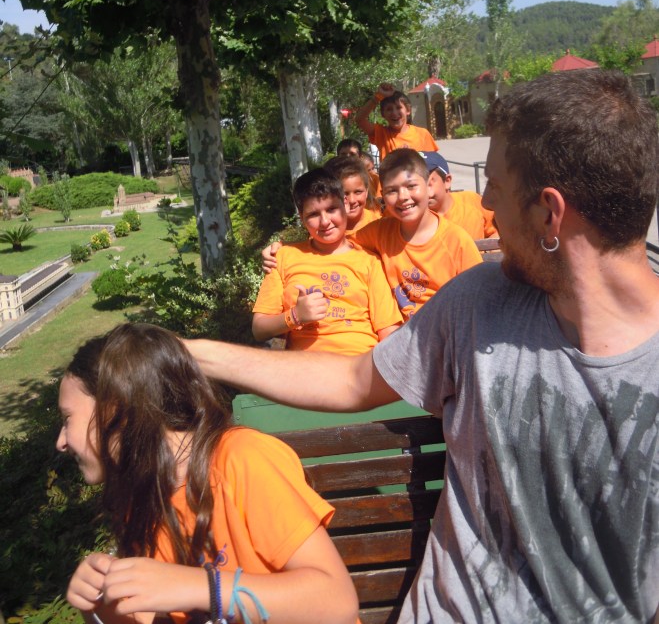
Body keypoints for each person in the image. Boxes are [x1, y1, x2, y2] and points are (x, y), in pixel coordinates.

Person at [187, 69, 659, 623]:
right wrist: (195, 352)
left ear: (550, 214)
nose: (482, 201)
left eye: (496, 187)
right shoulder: (478, 301)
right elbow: (353, 379)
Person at [57, 322, 358, 624]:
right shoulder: (141, 498)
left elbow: (337, 604)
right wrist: (99, 607)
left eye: (67, 418)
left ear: (115, 407)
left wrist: (201, 587)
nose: (61, 441)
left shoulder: (241, 458)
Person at [265, 149, 482, 321]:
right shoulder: (380, 231)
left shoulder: (456, 241)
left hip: (446, 333)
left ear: (428, 186)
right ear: (382, 195)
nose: (403, 197)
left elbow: (479, 299)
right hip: (399, 337)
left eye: (411, 186)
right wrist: (281, 248)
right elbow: (335, 241)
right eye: (392, 191)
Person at [253, 168, 401, 354]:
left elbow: (388, 331)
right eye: (313, 214)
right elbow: (259, 329)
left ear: (345, 204)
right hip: (304, 364)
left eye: (331, 209)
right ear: (302, 218)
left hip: (357, 360)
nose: (325, 222)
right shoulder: (284, 257)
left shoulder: (370, 261)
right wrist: (295, 316)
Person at [419, 150, 498, 240]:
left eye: (428, 183)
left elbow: (498, 231)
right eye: (414, 185)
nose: (422, 191)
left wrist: (485, 247)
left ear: (447, 181)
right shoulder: (413, 219)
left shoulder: (472, 201)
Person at [355, 82, 436, 159]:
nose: (394, 113)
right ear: (383, 114)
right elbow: (360, 119)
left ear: (408, 110)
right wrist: (378, 96)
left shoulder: (422, 134)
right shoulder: (382, 134)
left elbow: (434, 162)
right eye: (389, 109)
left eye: (398, 107)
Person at [323, 155, 382, 233]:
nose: (352, 200)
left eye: (358, 192)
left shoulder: (380, 225)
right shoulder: (324, 230)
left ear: (366, 191)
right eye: (344, 194)